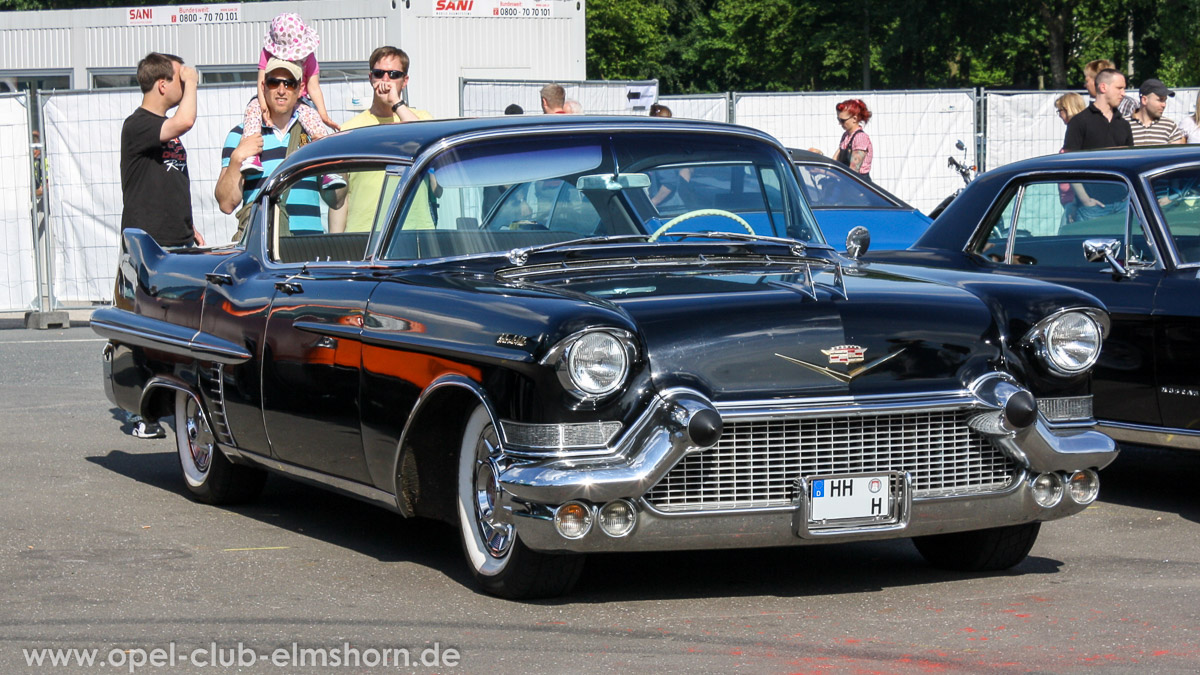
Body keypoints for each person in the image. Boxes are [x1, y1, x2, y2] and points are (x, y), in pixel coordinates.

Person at [215, 58, 343, 233]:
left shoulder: (314, 133)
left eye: (289, 84)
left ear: (300, 89)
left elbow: (336, 201)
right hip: (261, 249)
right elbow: (226, 204)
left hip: (308, 248)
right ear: (263, 87)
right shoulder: (240, 135)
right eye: (274, 82)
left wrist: (335, 160)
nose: (281, 90)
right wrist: (237, 158)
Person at [330, 46, 432, 234]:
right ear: (371, 78)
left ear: (405, 81)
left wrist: (396, 104)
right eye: (379, 74)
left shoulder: (421, 118)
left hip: (414, 230)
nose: (386, 81)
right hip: (363, 233)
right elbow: (340, 198)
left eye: (393, 74)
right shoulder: (349, 129)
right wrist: (335, 242)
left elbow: (422, 138)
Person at [120, 52, 203, 248]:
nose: (184, 84)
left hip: (179, 239)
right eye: (179, 79)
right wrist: (191, 81)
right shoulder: (137, 124)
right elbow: (185, 121)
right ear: (162, 85)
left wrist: (186, 227)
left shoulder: (164, 126)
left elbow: (166, 183)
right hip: (150, 242)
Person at [240, 13, 337, 175]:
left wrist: (323, 115)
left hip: (300, 100)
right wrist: (263, 107)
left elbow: (313, 87)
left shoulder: (309, 57)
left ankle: (327, 169)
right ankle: (251, 156)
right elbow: (261, 82)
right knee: (253, 109)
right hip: (267, 97)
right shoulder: (266, 53)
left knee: (314, 126)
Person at [1063, 69, 1133, 151]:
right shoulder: (1079, 122)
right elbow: (1070, 158)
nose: (1123, 93)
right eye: (1119, 88)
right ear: (1103, 87)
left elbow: (1129, 157)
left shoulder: (1124, 124)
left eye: (1124, 89)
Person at [1055, 92, 1087, 224]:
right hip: (1071, 200)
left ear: (1068, 109)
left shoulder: (1076, 133)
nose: (1060, 115)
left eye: (1060, 111)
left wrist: (1079, 200)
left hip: (1076, 202)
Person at [1127, 78, 1185, 146]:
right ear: (1144, 100)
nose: (1164, 105)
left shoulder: (1170, 126)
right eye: (1160, 100)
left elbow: (1175, 155)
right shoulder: (1124, 124)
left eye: (1165, 100)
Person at [833, 99, 873, 182]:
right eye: (838, 119)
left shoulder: (860, 138)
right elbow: (835, 161)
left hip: (859, 185)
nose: (839, 123)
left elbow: (853, 172)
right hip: (846, 180)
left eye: (842, 120)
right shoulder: (846, 136)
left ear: (854, 119)